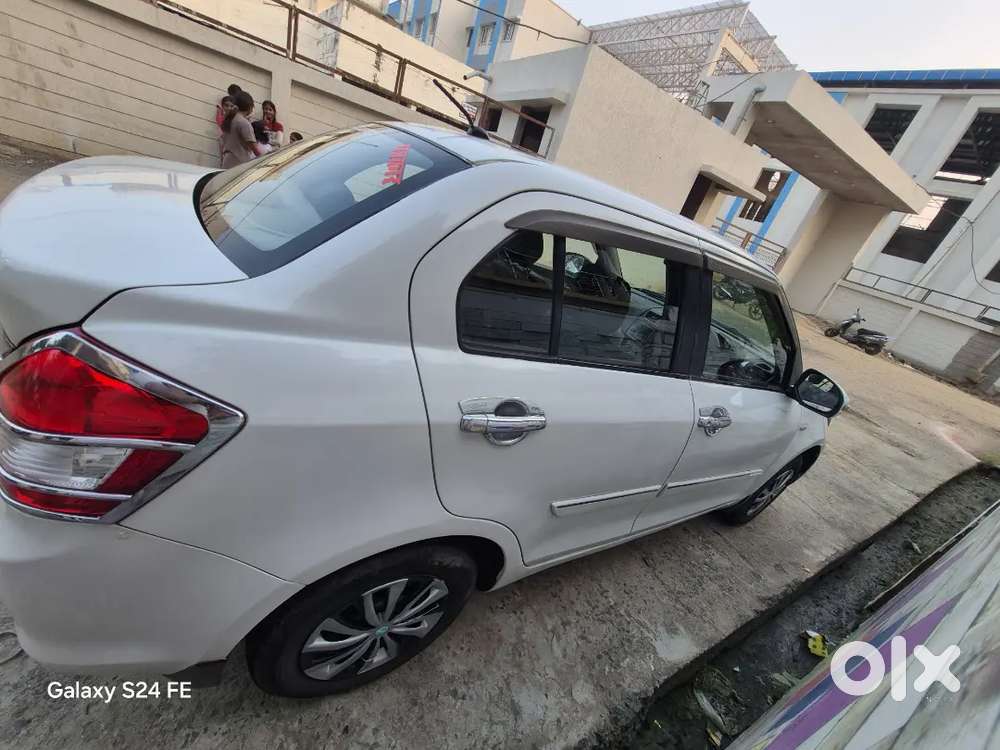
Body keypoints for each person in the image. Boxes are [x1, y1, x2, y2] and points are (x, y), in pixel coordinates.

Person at [220, 90, 261, 167]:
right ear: (250, 107)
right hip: (238, 164)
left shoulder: (229, 119)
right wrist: (264, 160)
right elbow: (254, 148)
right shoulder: (244, 123)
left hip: (227, 161)